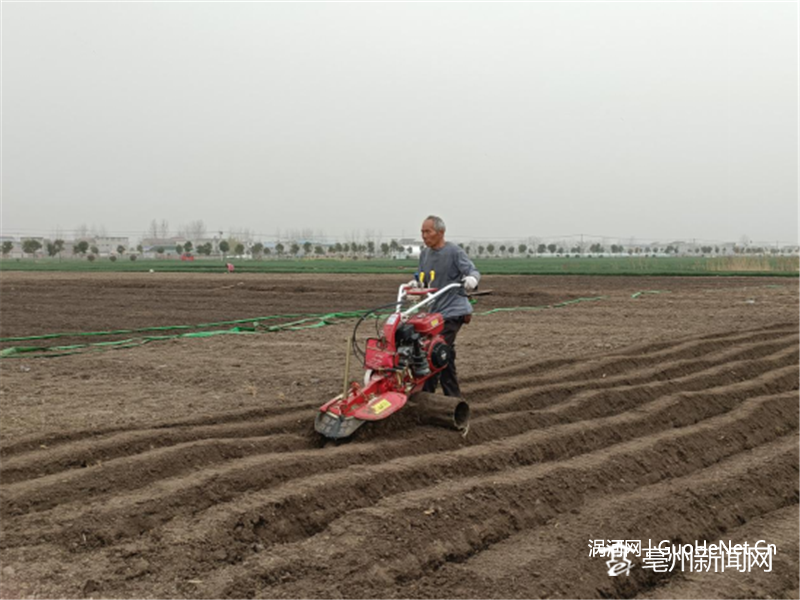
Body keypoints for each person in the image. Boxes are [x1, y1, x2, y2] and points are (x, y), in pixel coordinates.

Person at [408, 215, 480, 398]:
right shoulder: (425, 254)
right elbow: (422, 276)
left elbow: (472, 271)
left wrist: (472, 279)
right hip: (435, 312)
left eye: (428, 231)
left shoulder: (454, 252)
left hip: (454, 310)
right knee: (444, 354)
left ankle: (425, 396)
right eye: (422, 232)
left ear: (441, 232)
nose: (424, 236)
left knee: (433, 351)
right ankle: (454, 399)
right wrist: (416, 284)